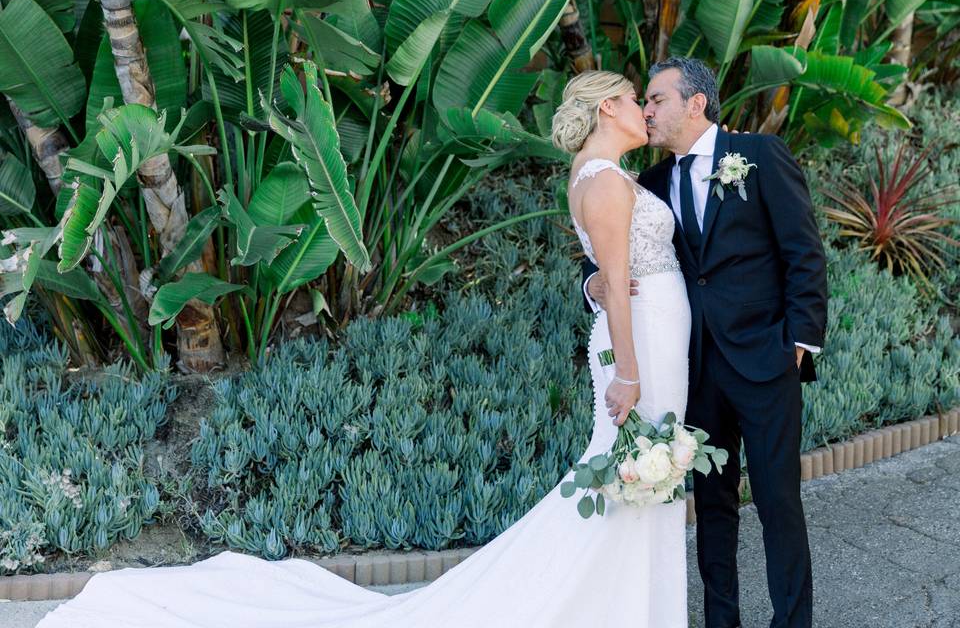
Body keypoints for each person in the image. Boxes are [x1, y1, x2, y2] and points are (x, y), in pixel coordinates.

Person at [38, 70, 689, 627]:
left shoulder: (605, 174)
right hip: (641, 349)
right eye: (638, 99)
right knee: (626, 477)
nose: (646, 110)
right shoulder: (604, 180)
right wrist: (627, 374)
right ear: (608, 107)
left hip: (654, 338)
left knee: (635, 480)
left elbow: (610, 279)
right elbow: (617, 290)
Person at [583, 57, 828, 628]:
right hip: (696, 368)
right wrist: (590, 284)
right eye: (643, 101)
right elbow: (608, 259)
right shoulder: (648, 185)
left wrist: (800, 342)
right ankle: (723, 621)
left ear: (696, 104)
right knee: (713, 507)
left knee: (778, 503)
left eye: (657, 100)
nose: (646, 110)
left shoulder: (761, 158)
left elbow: (804, 253)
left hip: (767, 361)